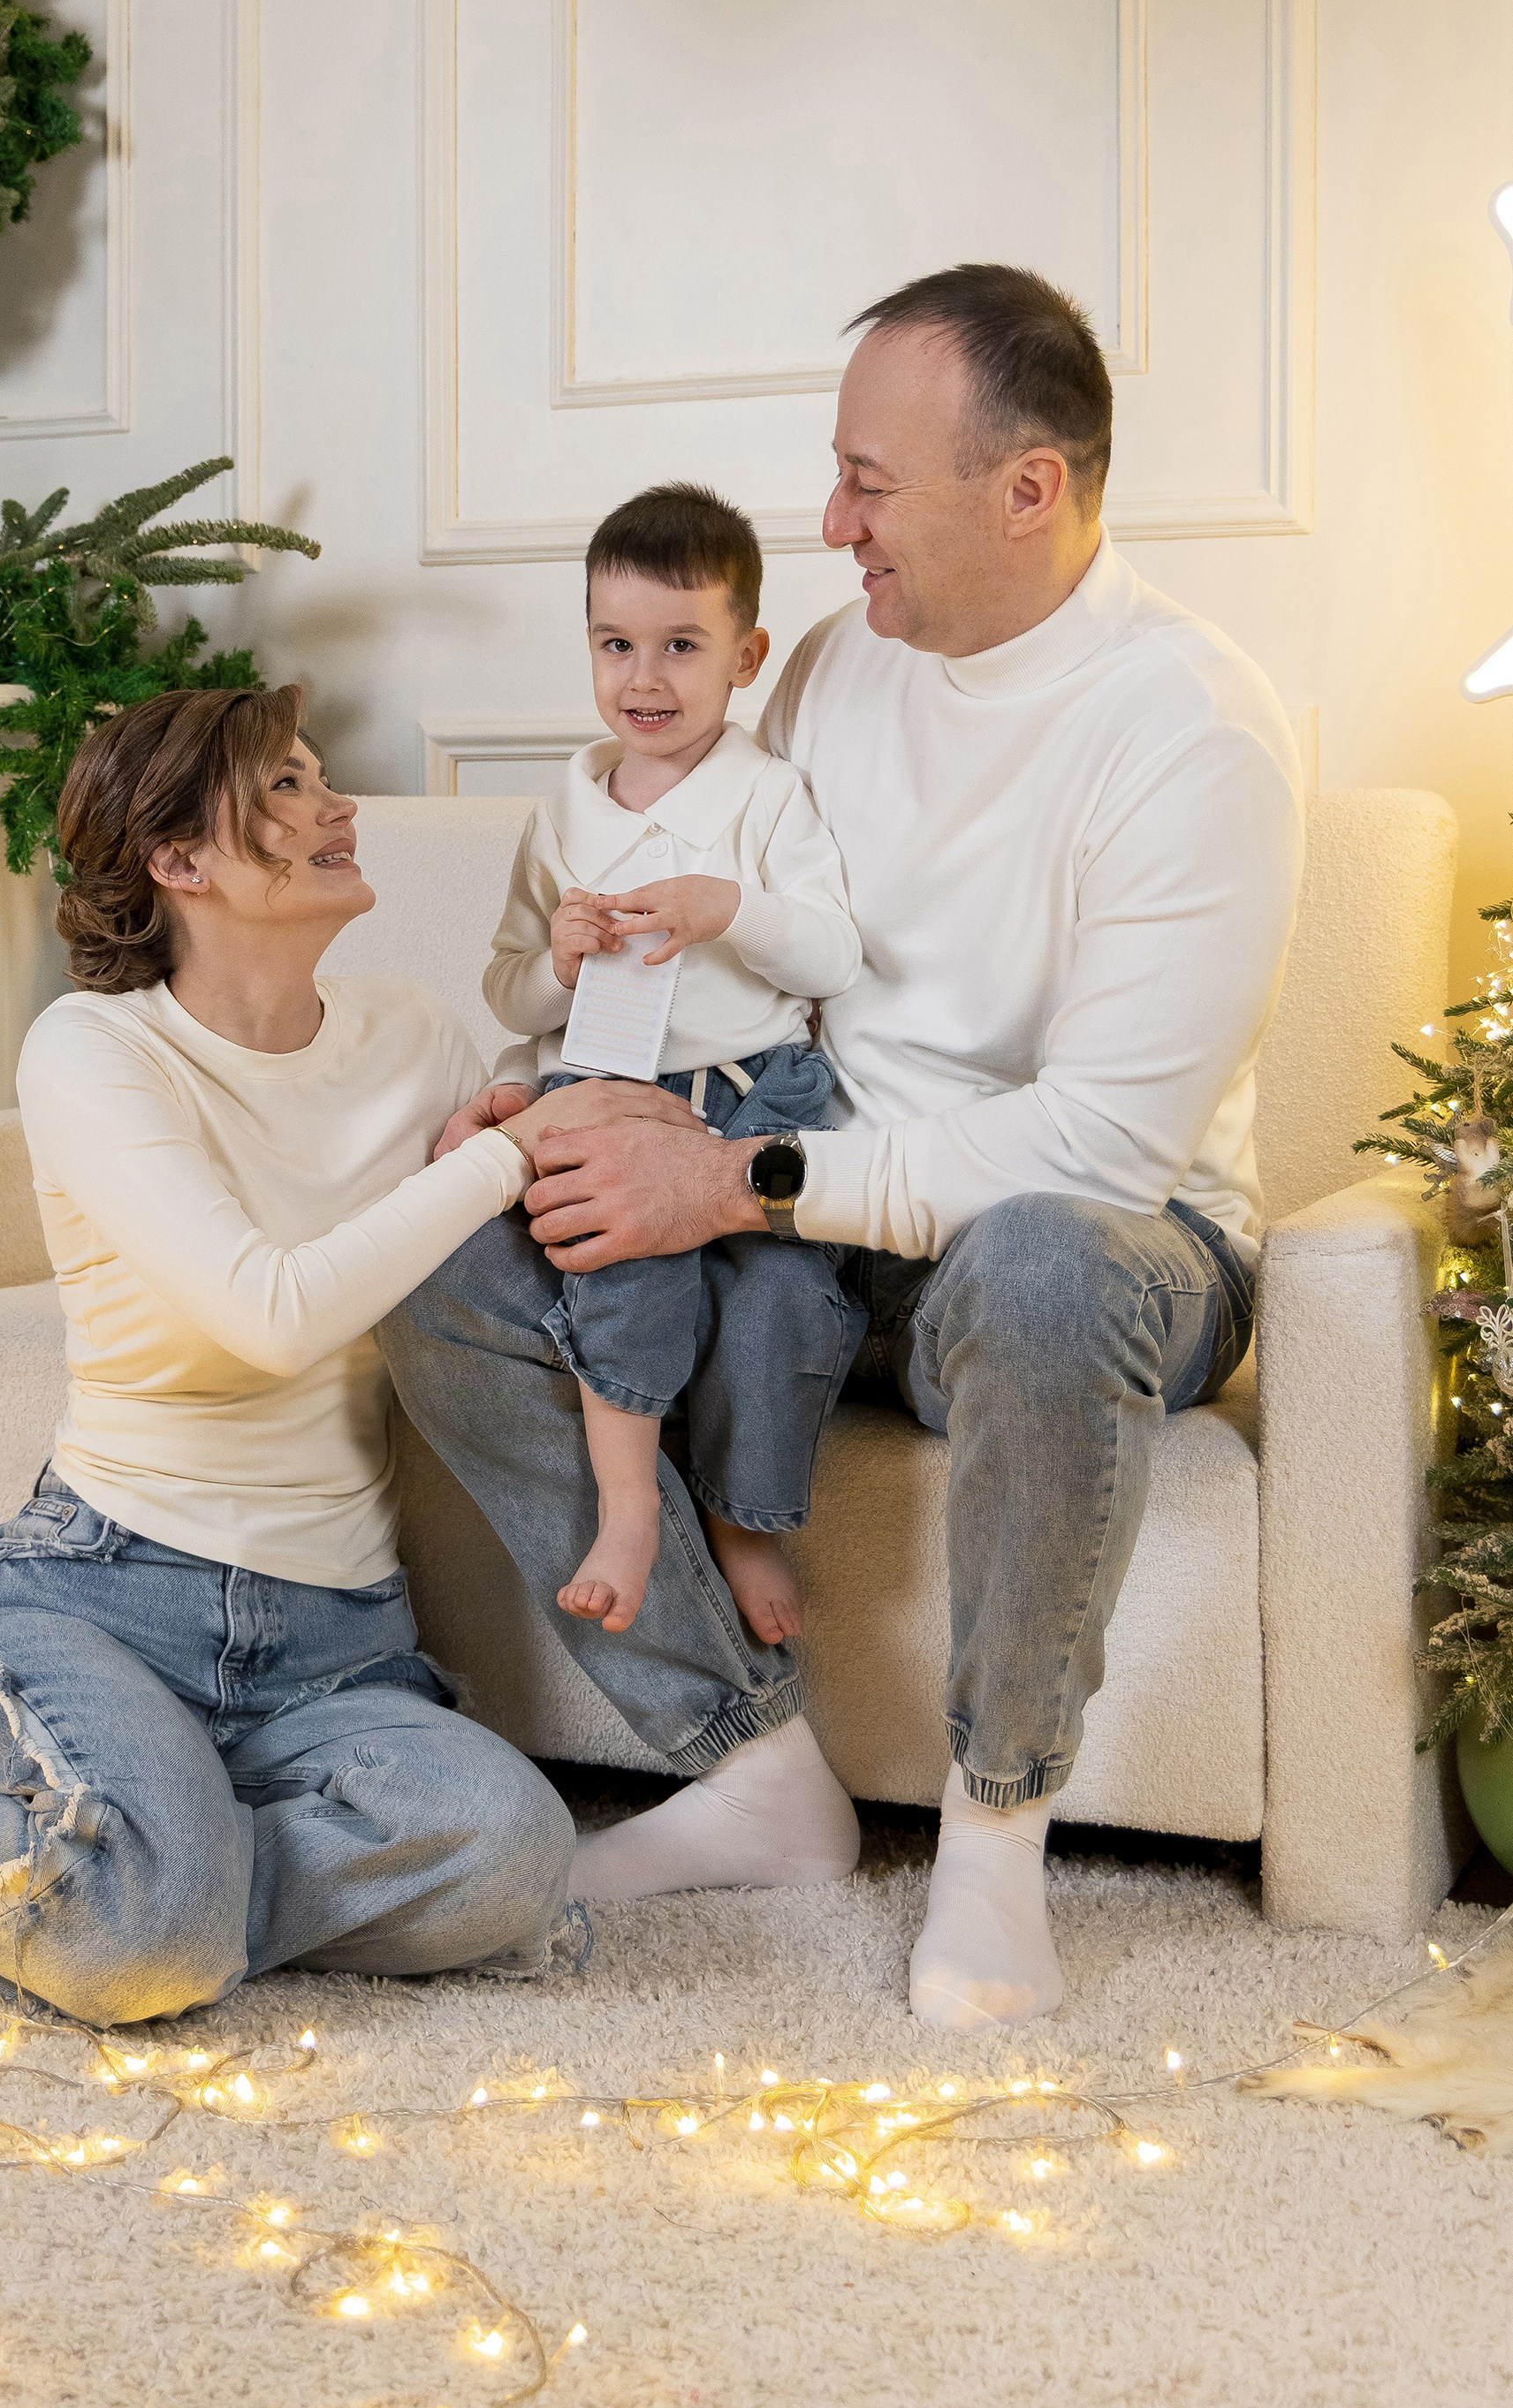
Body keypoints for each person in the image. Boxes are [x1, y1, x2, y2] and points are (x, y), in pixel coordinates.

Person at [381, 263, 1303, 2032]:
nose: (829, 524)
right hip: (801, 1187)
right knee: (451, 1242)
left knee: (1039, 1256)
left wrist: (727, 1184)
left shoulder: (1190, 729)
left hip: (1099, 1247)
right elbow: (726, 971)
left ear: (1027, 487)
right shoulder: (823, 667)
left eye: (870, 486)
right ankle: (751, 1766)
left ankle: (998, 1823)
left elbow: (1102, 1147)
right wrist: (574, 1095)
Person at [0, 685, 673, 2020]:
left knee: (511, 1858)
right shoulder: (94, 1049)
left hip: (339, 1640)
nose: (336, 805)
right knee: (149, 1957)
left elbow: (463, 1253)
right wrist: (498, 1159)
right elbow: (272, 1309)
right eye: (287, 787)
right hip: (101, 1603)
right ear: (179, 862)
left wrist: (535, 1150)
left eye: (320, 777)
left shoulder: (414, 1035)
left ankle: (138, 1860)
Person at [482, 481, 858, 1646]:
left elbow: (832, 948)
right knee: (622, 1266)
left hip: (756, 1083)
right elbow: (507, 989)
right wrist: (558, 958)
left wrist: (726, 907)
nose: (644, 678)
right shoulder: (561, 811)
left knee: (786, 1289)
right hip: (608, 1085)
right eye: (616, 644)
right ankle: (631, 1504)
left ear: (743, 655)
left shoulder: (765, 794)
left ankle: (745, 1517)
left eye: (680, 647)